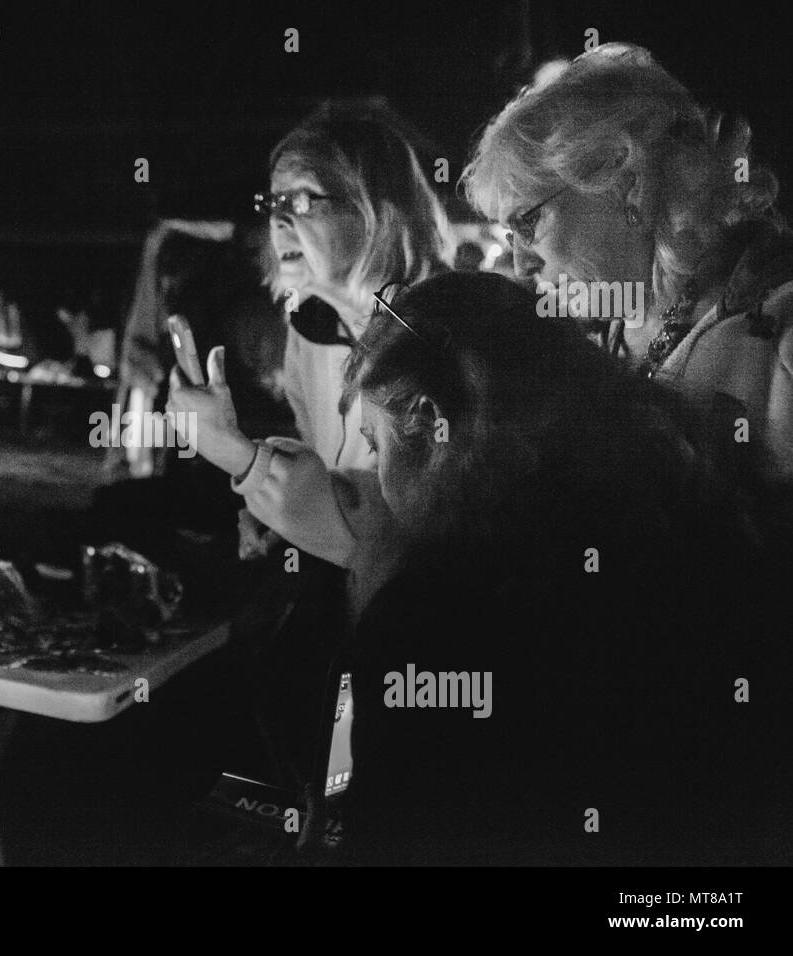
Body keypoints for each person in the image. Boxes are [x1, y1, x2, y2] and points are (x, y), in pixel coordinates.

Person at [333, 271, 793, 865]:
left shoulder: (430, 621)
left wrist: (366, 586)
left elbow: (368, 825)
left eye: (375, 444)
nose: (374, 476)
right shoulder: (688, 503)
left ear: (432, 422)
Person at [168, 101, 454, 624]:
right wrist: (280, 517)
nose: (277, 220)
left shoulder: (437, 338)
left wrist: (242, 459)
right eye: (273, 201)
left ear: (377, 211)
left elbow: (394, 532)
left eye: (303, 200)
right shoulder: (311, 332)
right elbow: (333, 476)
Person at [461, 42, 793, 484]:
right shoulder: (601, 340)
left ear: (625, 181)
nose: (520, 264)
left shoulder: (783, 329)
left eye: (527, 222)